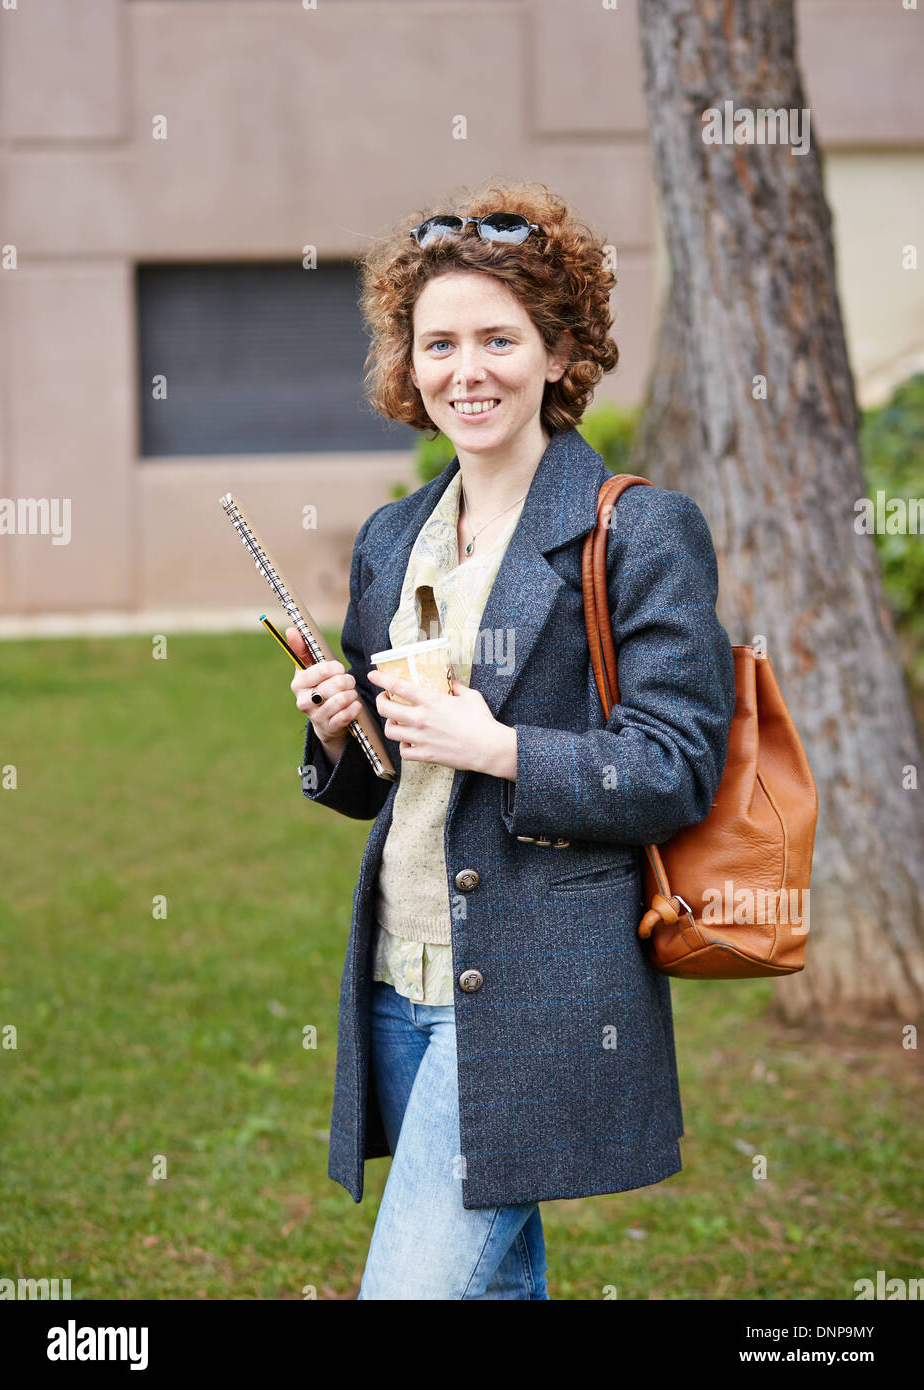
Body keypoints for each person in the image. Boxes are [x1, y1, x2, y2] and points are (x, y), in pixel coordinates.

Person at [286, 180, 737, 1300]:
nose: (466, 370)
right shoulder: (396, 537)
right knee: (489, 1284)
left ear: (559, 353)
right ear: (409, 360)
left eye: (499, 337)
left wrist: (500, 746)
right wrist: (345, 730)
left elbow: (678, 765)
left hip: (540, 985)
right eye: (439, 342)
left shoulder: (637, 529)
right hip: (398, 969)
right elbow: (390, 773)